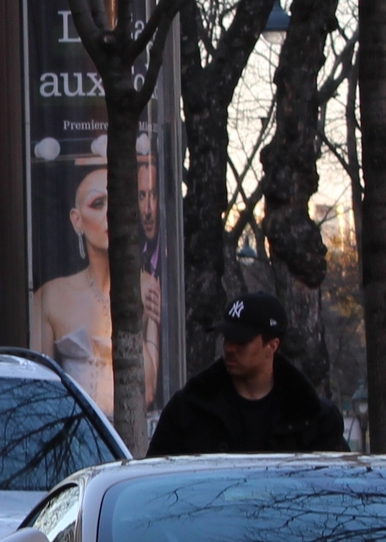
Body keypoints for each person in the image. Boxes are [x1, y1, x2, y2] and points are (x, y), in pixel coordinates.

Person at [146, 291, 347, 456]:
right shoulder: (188, 409)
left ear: (272, 346)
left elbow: (335, 487)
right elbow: (155, 481)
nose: (230, 348)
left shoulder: (313, 418)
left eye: (241, 340)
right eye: (226, 338)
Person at [30, 164, 161, 414]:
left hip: (128, 440)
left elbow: (149, 390)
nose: (109, 214)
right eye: (98, 203)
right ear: (76, 220)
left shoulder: (148, 287)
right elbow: (37, 396)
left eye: (116, 204)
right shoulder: (51, 297)